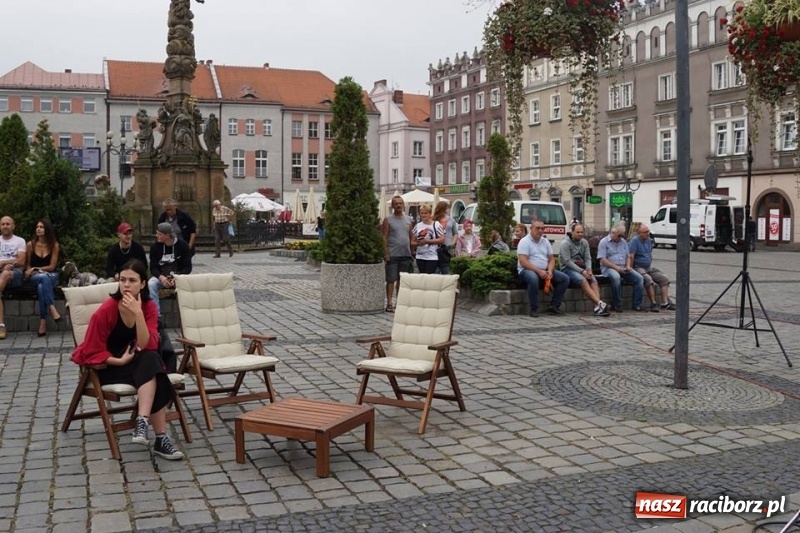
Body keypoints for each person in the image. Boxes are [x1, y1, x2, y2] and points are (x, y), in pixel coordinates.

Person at [71, 259, 185, 460]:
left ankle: (142, 422)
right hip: (107, 368)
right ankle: (160, 438)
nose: (126, 285)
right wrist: (120, 361)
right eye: (122, 280)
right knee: (156, 371)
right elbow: (89, 352)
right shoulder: (106, 310)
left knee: (151, 359)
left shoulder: (148, 307)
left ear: (142, 284)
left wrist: (138, 313)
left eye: (132, 280)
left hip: (138, 367)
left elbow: (147, 344)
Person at [517, 220, 569, 316]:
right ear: (531, 229)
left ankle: (554, 306)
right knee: (533, 279)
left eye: (542, 228)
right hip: (527, 270)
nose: (540, 230)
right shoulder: (524, 242)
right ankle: (534, 309)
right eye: (538, 228)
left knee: (564, 278)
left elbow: (551, 259)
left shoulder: (545, 242)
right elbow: (523, 261)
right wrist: (539, 271)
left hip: (545, 270)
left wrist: (549, 270)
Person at [559, 224, 610, 316]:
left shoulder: (584, 242)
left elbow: (587, 258)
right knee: (583, 280)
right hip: (568, 269)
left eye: (582, 232)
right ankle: (600, 303)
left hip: (581, 268)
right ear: (572, 232)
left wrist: (589, 269)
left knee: (593, 280)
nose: (580, 234)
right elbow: (567, 262)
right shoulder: (565, 244)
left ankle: (597, 308)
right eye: (578, 232)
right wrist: (582, 272)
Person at [24, 219, 62, 336]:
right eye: (37, 227)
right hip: (35, 276)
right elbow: (28, 265)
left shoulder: (54, 245)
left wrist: (37, 269)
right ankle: (52, 307)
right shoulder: (30, 245)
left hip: (50, 275)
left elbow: (52, 266)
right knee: (42, 279)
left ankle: (43, 322)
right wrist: (32, 271)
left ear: (47, 229)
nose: (38, 229)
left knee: (42, 286)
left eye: (41, 227)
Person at [597, 223, 645, 312]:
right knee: (616, 277)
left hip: (623, 268)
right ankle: (617, 304)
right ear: (613, 232)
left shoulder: (623, 242)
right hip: (609, 269)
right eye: (619, 236)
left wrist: (628, 266)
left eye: (622, 236)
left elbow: (628, 256)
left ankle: (637, 304)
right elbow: (603, 260)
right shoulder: (604, 242)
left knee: (639, 278)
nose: (620, 238)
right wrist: (616, 268)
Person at [148, 223, 192, 319]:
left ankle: (187, 315)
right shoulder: (155, 247)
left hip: (178, 277)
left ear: (167, 235)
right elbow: (153, 267)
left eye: (159, 234)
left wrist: (177, 277)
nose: (157, 236)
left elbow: (187, 268)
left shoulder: (182, 246)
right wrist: (161, 277)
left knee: (189, 286)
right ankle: (156, 316)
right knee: (151, 285)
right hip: (161, 277)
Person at [629, 224, 674, 312]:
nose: (648, 233)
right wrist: (630, 268)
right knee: (648, 280)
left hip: (648, 267)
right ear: (639, 233)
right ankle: (653, 303)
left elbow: (649, 254)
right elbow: (631, 256)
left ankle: (665, 303)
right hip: (638, 267)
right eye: (645, 232)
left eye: (648, 231)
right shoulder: (634, 241)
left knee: (664, 278)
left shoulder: (649, 241)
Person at [382, 196, 413, 313]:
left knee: (401, 280)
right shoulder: (388, 220)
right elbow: (384, 237)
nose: (399, 205)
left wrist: (412, 251)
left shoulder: (409, 220)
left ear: (403, 205)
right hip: (393, 254)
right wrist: (386, 252)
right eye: (396, 204)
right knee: (391, 280)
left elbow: (410, 236)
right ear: (393, 206)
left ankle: (399, 302)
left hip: (406, 254)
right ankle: (389, 303)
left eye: (400, 203)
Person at [0, 216, 26, 339]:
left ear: (13, 226)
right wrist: (8, 262)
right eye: (3, 224)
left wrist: (4, 264)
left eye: (8, 224)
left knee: (5, 274)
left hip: (15, 274)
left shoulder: (19, 241)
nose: (5, 226)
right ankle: (1, 326)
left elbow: (21, 261)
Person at [411, 204, 445, 274]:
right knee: (422, 276)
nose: (423, 215)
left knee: (429, 277)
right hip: (420, 256)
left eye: (426, 213)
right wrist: (418, 243)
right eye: (422, 213)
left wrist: (427, 241)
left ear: (430, 214)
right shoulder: (418, 225)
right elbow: (412, 242)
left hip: (432, 256)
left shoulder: (436, 224)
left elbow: (442, 239)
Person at [433, 201, 457, 274]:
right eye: (445, 209)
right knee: (436, 271)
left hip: (447, 249)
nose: (447, 211)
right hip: (435, 248)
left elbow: (455, 233)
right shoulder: (434, 220)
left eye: (447, 209)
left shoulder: (451, 220)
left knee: (446, 270)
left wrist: (452, 243)